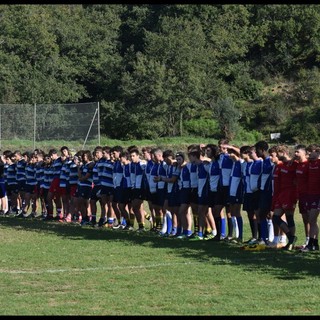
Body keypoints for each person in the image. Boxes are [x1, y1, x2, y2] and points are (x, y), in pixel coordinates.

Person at [272, 144, 298, 251]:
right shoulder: (281, 165)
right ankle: (291, 238)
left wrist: (294, 158)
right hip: (281, 194)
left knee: (289, 217)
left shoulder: (294, 164)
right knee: (276, 217)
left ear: (284, 152)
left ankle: (290, 243)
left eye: (278, 153)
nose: (277, 155)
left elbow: (304, 159)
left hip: (290, 194)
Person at [301, 147, 320, 252]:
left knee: (312, 219)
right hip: (309, 194)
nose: (308, 154)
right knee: (312, 221)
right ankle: (315, 245)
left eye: (310, 153)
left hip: (317, 196)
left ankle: (310, 244)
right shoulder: (309, 164)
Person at [294, 144, 310, 248]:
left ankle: (311, 240)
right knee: (305, 218)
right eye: (295, 152)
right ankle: (307, 239)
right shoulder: (297, 164)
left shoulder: (308, 164)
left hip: (309, 195)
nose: (295, 154)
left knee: (310, 218)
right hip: (301, 195)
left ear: (304, 153)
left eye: (297, 152)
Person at [78, 150, 94, 226]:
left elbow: (87, 176)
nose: (84, 157)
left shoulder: (91, 164)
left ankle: (88, 217)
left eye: (85, 156)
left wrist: (82, 178)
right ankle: (84, 218)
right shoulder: (83, 165)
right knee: (81, 202)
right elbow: (79, 174)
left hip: (87, 186)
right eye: (83, 156)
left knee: (86, 202)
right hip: (82, 185)